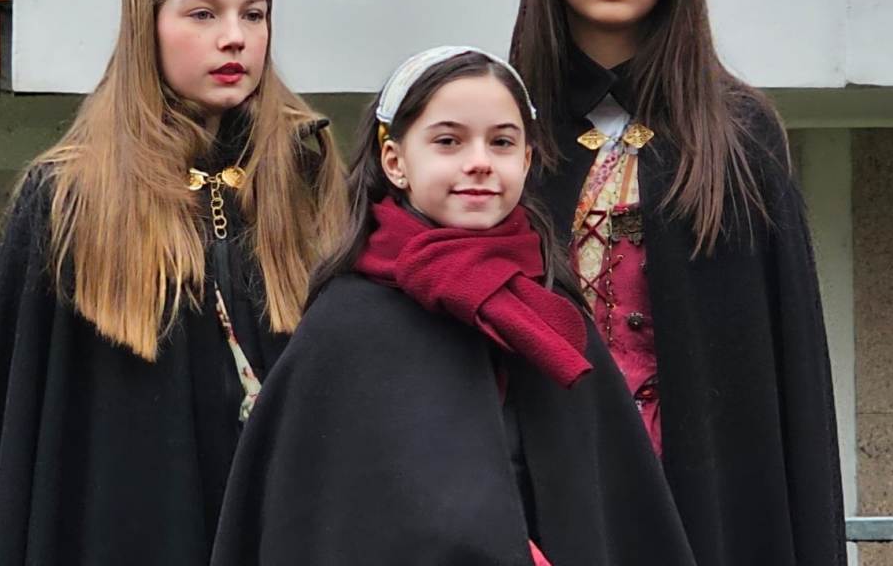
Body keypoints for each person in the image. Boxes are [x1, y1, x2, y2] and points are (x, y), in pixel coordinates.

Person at [0, 0, 347, 566]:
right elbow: (16, 434)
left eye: (253, 15)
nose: (235, 37)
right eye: (202, 14)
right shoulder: (71, 197)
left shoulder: (304, 177)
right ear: (147, 27)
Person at [211, 46, 698, 566]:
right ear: (395, 162)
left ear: (527, 160)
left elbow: (615, 515)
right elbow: (325, 522)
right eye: (448, 141)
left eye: (502, 142)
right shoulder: (347, 326)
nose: (479, 162)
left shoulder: (549, 312)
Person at [510, 0, 845, 564]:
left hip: (708, 513)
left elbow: (793, 380)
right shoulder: (504, 133)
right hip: (549, 506)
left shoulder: (739, 135)